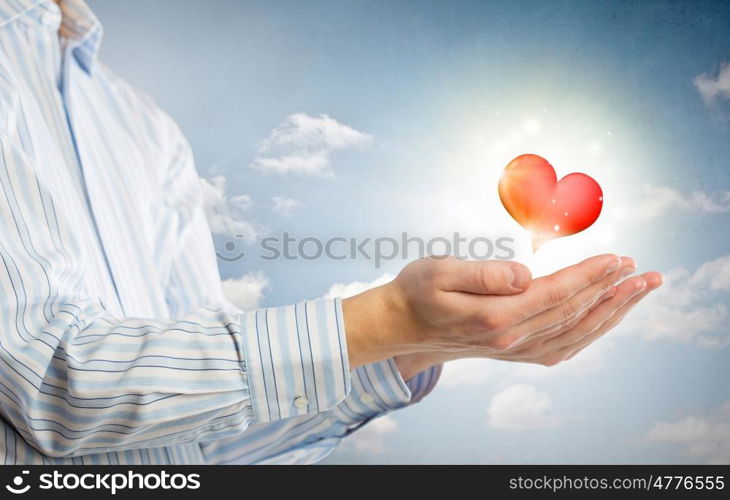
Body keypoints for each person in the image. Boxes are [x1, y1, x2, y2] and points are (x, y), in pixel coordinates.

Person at [0, 0, 662, 465]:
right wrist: (379, 320)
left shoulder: (143, 128)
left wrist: (414, 345)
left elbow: (192, 439)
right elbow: (53, 384)